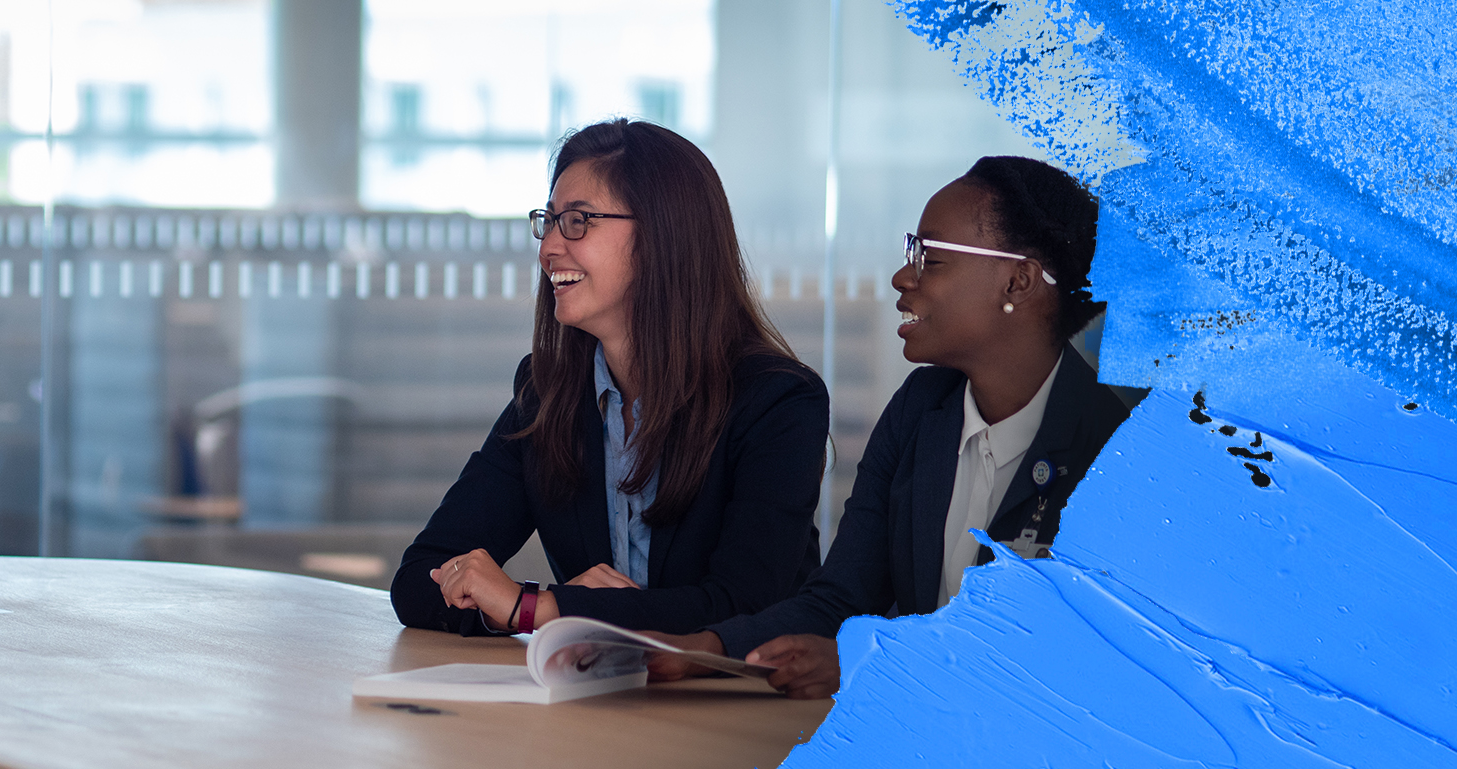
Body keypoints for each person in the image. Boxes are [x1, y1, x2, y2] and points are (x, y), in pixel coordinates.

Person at [636, 155, 1138, 699]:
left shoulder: (1121, 446)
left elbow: (1087, 664)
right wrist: (704, 650)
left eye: (931, 258)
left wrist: (873, 661)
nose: (902, 277)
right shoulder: (921, 410)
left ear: (1017, 280)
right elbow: (840, 600)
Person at [392, 119, 829, 638]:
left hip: (745, 709)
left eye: (577, 221)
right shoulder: (546, 392)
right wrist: (504, 602)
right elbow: (422, 578)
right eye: (549, 222)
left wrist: (539, 608)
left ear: (663, 235)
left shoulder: (777, 401)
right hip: (603, 702)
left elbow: (745, 608)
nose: (548, 248)